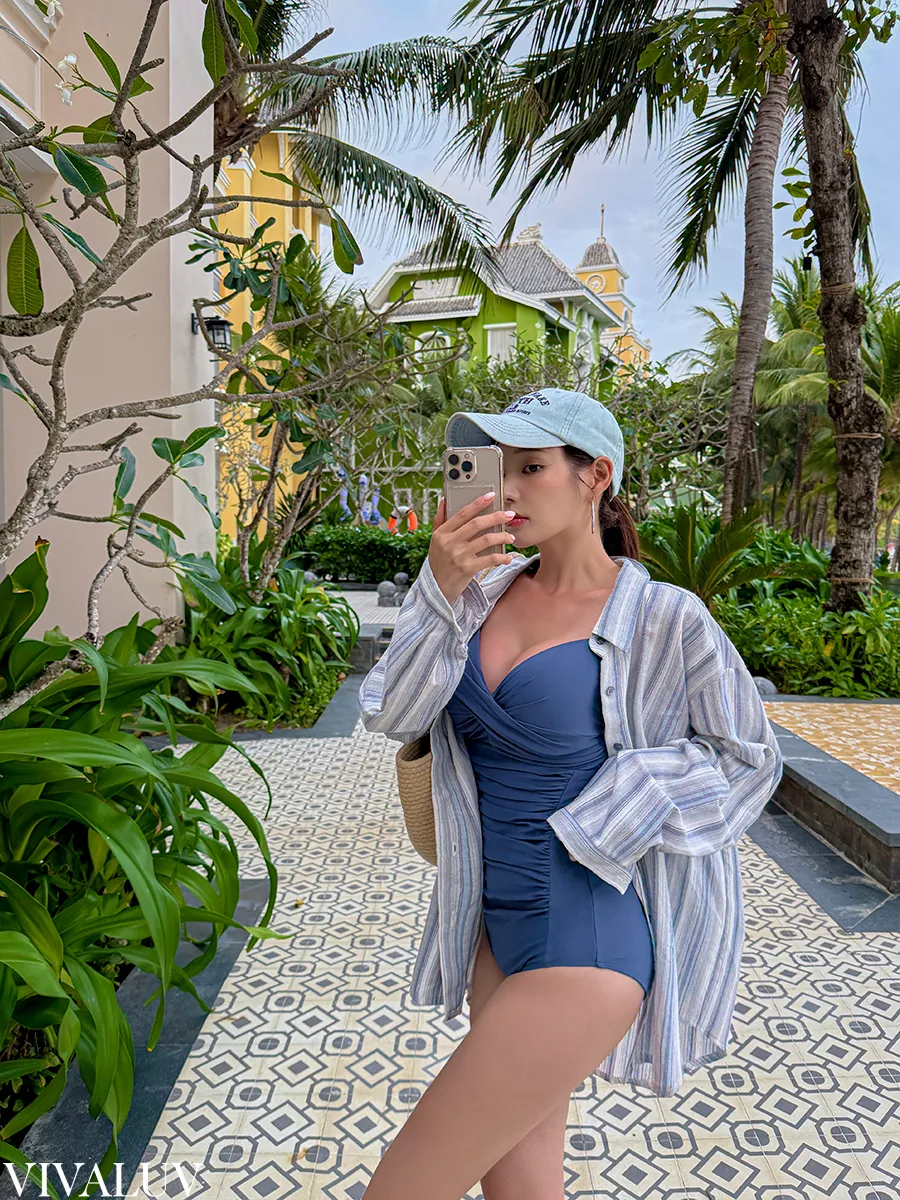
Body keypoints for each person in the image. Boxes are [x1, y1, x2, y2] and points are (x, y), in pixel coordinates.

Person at [357, 387, 784, 1200]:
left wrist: (622, 803)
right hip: (493, 930)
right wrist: (438, 590)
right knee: (519, 1191)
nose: (510, 488)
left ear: (597, 476)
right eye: (499, 468)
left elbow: (747, 757)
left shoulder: (664, 617)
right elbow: (395, 713)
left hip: (587, 940)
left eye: (533, 467)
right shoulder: (476, 593)